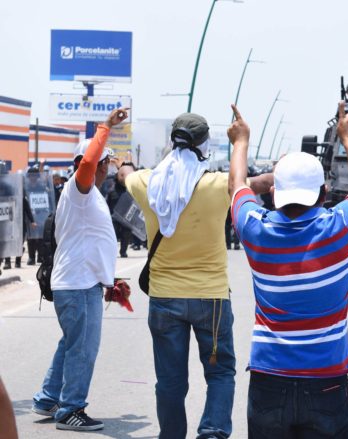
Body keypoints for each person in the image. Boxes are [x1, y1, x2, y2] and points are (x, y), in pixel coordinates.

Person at [229, 102, 348, 438]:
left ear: (274, 193)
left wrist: (241, 141)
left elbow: (236, 185)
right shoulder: (340, 227)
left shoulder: (256, 229)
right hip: (326, 380)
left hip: (269, 377)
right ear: (324, 193)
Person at [122, 111, 272, 439]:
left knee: (170, 381)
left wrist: (123, 163)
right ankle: (213, 432)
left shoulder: (145, 183)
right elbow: (253, 183)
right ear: (204, 146)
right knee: (220, 374)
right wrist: (243, 144)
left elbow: (125, 176)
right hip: (212, 300)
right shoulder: (217, 185)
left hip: (164, 298)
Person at [31, 107, 129, 431]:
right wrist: (107, 128)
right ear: (93, 164)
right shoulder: (78, 187)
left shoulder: (89, 195)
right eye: (104, 163)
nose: (106, 169)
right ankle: (70, 408)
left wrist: (107, 279)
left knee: (71, 343)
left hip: (81, 283)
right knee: (83, 347)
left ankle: (48, 397)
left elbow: (91, 243)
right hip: (76, 285)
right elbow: (86, 163)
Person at [107, 162, 136, 258]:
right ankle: (112, 251)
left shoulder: (130, 189)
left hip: (126, 215)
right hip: (114, 216)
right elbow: (108, 204)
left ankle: (123, 251)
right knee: (113, 234)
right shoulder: (112, 190)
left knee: (126, 233)